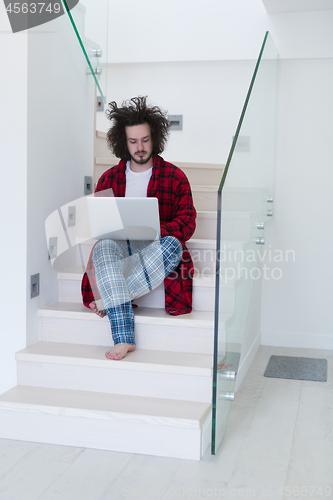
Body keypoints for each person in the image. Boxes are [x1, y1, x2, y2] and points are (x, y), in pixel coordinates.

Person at [81, 96, 196, 360]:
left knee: (174, 244)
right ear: (124, 143)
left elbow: (188, 221)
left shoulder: (175, 176)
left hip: (158, 248)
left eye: (145, 140)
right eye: (133, 141)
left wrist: (155, 230)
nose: (140, 147)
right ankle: (124, 337)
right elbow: (101, 225)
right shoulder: (108, 179)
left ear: (154, 138)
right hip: (121, 249)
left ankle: (110, 303)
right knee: (103, 247)